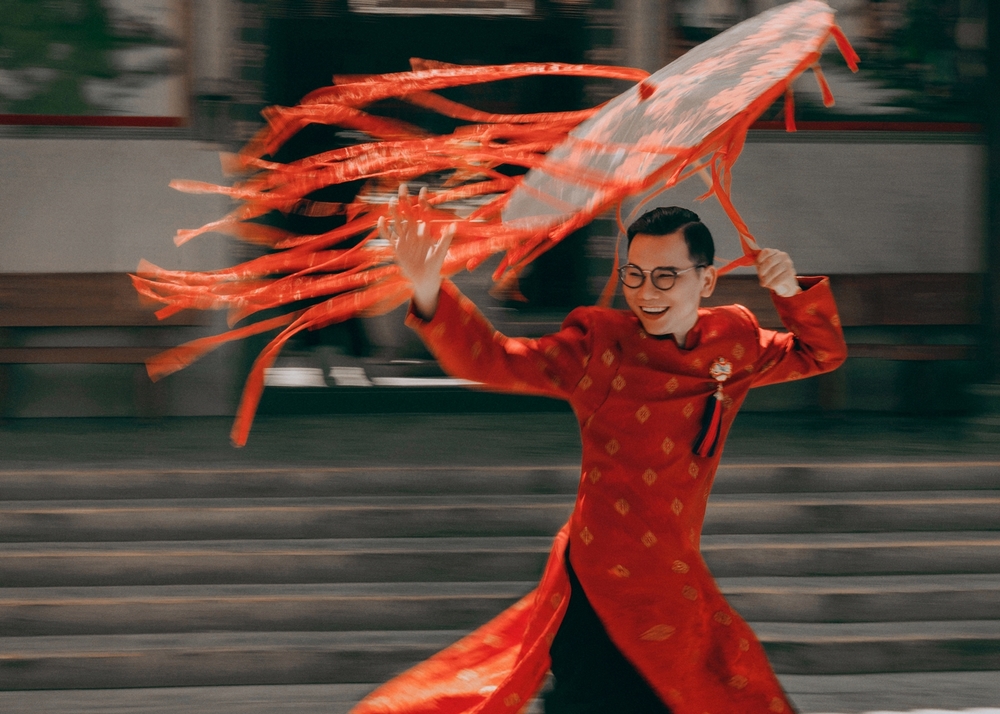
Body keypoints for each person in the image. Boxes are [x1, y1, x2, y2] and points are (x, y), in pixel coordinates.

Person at [354, 192, 847, 714]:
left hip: (672, 572)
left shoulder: (734, 341)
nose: (646, 292)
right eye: (635, 275)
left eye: (665, 277)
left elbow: (821, 353)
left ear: (705, 281)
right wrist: (430, 287)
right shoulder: (601, 347)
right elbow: (493, 360)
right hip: (599, 570)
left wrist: (790, 291)